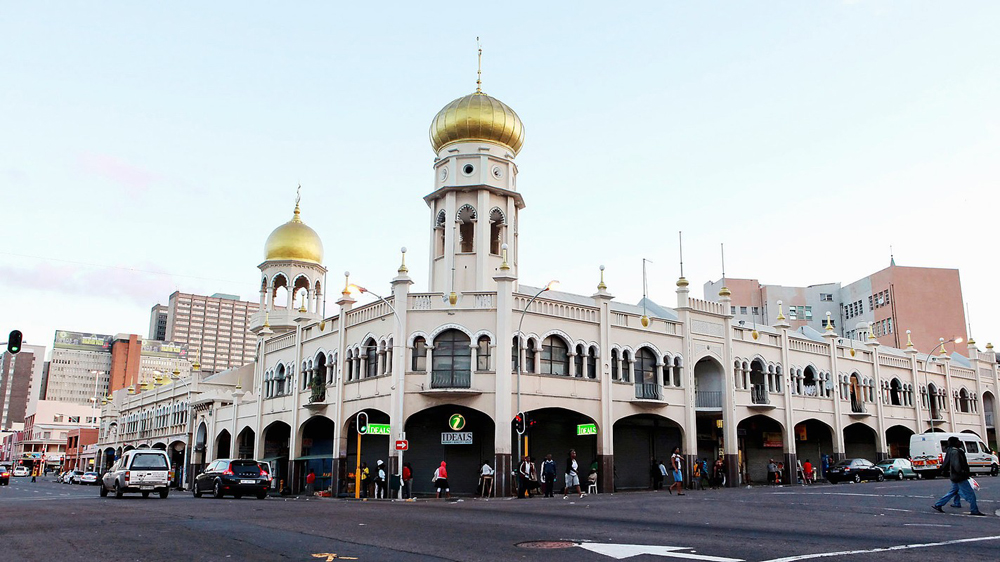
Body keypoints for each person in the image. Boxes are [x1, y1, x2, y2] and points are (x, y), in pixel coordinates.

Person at [932, 436, 986, 516]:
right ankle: (974, 510)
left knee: (953, 491)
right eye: (958, 441)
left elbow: (946, 463)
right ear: (955, 442)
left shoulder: (950, 451)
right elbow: (957, 465)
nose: (959, 442)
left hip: (954, 476)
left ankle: (938, 504)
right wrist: (963, 473)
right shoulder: (956, 452)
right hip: (959, 476)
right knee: (971, 494)